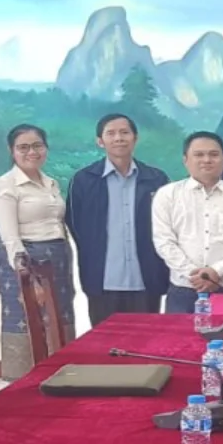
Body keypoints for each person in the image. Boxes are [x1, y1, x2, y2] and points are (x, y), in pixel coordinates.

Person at [0, 124, 75, 380]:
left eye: (37, 146)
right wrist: (28, 278)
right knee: (27, 324)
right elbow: (9, 238)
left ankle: (60, 382)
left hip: (57, 264)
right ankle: (22, 385)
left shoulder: (51, 183)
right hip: (26, 264)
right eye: (23, 147)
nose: (31, 152)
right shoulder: (3, 185)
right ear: (12, 151)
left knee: (59, 323)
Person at [68, 112, 170, 326]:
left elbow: (167, 225)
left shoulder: (156, 179)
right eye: (111, 133)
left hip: (146, 278)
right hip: (102, 279)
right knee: (105, 342)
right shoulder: (84, 180)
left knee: (146, 340)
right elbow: (76, 225)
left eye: (124, 132)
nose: (118, 138)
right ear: (100, 141)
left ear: (135, 138)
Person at [153, 132, 223, 314]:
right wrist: (198, 277)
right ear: (185, 160)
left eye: (213, 154)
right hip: (184, 289)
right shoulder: (167, 195)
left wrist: (217, 271)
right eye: (199, 155)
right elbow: (164, 242)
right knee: (179, 334)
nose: (207, 160)